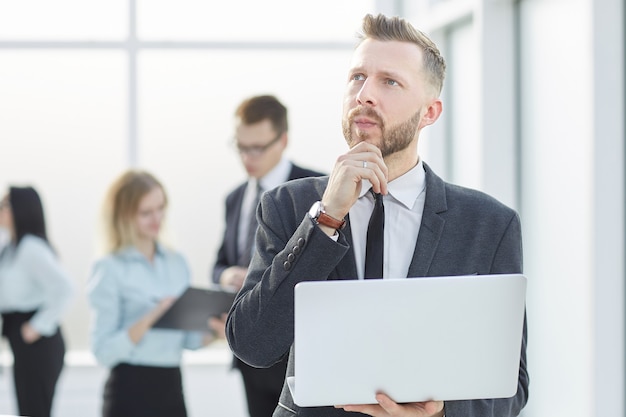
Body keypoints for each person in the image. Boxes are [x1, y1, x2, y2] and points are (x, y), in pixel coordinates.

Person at [225, 13, 528, 417]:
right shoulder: (289, 206)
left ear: (430, 112)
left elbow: (512, 386)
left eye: (390, 81)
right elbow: (254, 345)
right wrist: (326, 220)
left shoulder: (488, 225)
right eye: (357, 77)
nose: (365, 94)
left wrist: (440, 412)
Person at [212, 94, 324, 417]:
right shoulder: (234, 198)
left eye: (257, 148)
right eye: (240, 146)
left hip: (296, 353)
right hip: (249, 355)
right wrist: (225, 276)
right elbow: (219, 261)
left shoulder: (316, 191)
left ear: (283, 140)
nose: (248, 157)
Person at [87, 170, 219, 417]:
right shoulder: (108, 268)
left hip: (171, 387)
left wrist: (216, 331)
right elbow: (102, 351)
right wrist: (152, 317)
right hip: (129, 389)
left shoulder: (176, 262)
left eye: (160, 208)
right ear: (124, 216)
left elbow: (189, 341)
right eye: (145, 213)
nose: (157, 218)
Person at [0, 186, 75, 417]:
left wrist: (37, 326)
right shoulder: (9, 248)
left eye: (4, 206)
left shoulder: (31, 248)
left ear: (20, 211)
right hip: (18, 339)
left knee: (35, 410)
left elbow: (65, 288)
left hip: (39, 343)